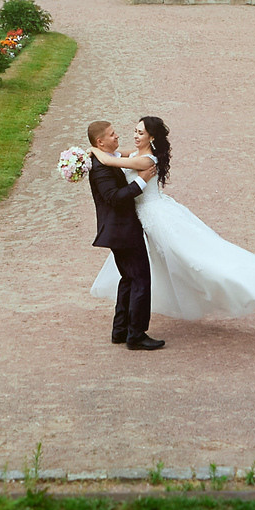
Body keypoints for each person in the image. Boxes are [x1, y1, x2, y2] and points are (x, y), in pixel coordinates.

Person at [89, 116, 255, 334]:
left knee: (188, 256)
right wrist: (97, 150)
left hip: (155, 215)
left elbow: (110, 161)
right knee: (143, 272)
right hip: (142, 217)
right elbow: (117, 154)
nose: (135, 135)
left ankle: (234, 281)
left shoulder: (146, 161)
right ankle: (128, 329)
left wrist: (93, 150)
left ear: (151, 137)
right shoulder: (135, 154)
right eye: (135, 131)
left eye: (140, 133)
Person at [85, 121, 160, 350]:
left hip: (120, 230)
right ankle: (136, 335)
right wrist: (142, 180)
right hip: (122, 230)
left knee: (128, 279)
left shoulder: (106, 157)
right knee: (140, 280)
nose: (117, 136)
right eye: (112, 134)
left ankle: (121, 330)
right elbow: (114, 198)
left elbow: (122, 157)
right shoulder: (100, 168)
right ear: (101, 142)